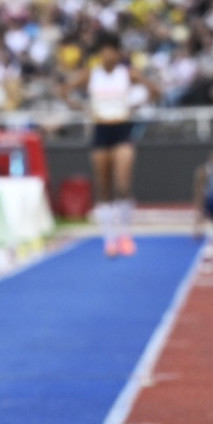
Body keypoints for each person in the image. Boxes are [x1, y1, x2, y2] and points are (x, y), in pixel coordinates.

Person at [70, 33, 155, 258]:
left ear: (118, 53)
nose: (108, 55)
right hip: (101, 130)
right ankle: (109, 238)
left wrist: (135, 105)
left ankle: (125, 235)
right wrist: (83, 109)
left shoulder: (126, 74)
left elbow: (155, 91)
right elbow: (65, 90)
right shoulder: (92, 75)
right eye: (104, 50)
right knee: (104, 186)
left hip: (122, 128)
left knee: (123, 183)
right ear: (100, 54)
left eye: (112, 50)